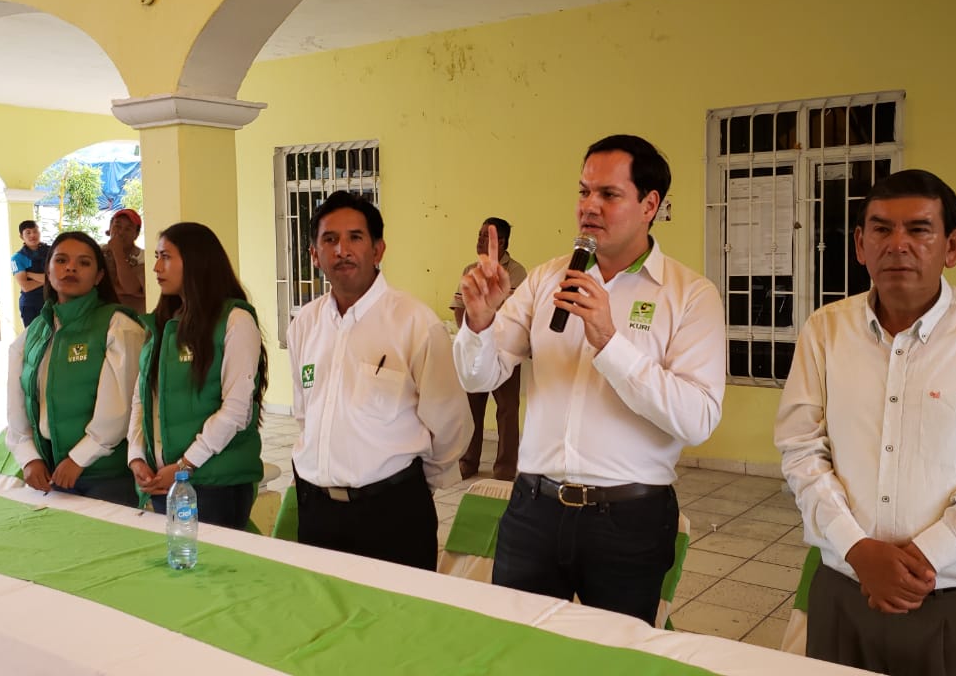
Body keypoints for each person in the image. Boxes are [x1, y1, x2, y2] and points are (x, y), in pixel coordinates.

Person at [775, 169, 956, 675]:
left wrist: (924, 556)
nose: (897, 244)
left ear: (952, 245)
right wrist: (858, 548)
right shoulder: (825, 331)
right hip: (845, 591)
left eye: (919, 230)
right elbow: (801, 449)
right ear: (860, 244)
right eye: (881, 229)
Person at [453, 135, 727, 625]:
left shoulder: (690, 296)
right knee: (522, 652)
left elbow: (698, 419)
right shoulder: (543, 280)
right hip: (533, 510)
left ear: (650, 205)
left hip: (628, 521)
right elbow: (479, 377)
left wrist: (609, 342)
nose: (589, 207)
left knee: (614, 661)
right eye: (583, 192)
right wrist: (478, 323)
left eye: (608, 194)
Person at [287, 191, 471, 570]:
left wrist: (412, 487)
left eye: (355, 237)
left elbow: (451, 425)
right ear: (313, 254)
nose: (342, 250)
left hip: (392, 515)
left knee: (399, 624)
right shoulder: (304, 324)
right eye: (329, 240)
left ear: (378, 249)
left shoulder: (414, 322)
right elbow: (306, 415)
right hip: (316, 512)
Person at [126, 222, 268, 530]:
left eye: (166, 257)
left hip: (214, 484)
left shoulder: (235, 321)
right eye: (156, 256)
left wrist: (184, 465)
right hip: (166, 479)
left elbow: (236, 411)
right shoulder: (163, 324)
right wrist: (137, 456)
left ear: (196, 261)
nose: (155, 267)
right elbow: (142, 398)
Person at [5, 231, 143, 507]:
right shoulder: (37, 329)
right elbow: (17, 402)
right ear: (47, 269)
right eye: (61, 260)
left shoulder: (117, 325)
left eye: (84, 263)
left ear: (99, 276)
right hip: (51, 473)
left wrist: (79, 458)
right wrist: (29, 456)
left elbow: (119, 408)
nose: (70, 268)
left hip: (105, 475)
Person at [450, 217, 528, 480]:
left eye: (487, 236)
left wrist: (489, 332)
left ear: (502, 242)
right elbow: (460, 307)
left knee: (507, 410)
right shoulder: (470, 269)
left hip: (504, 352)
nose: (480, 240)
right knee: (471, 408)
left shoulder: (517, 272)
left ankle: (505, 468)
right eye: (479, 234)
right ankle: (468, 461)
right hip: (474, 350)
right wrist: (470, 332)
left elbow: (514, 315)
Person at [101, 208, 146, 312]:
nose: (121, 232)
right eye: (117, 226)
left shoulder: (144, 258)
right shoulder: (98, 252)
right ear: (109, 228)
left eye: (128, 229)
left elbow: (130, 288)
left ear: (136, 234)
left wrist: (117, 252)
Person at [10, 220, 48, 327]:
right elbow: (26, 286)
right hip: (30, 305)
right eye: (28, 232)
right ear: (21, 237)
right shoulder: (17, 258)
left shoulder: (52, 252)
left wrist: (29, 274)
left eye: (35, 231)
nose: (32, 235)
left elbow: (56, 277)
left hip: (51, 301)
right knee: (34, 338)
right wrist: (47, 279)